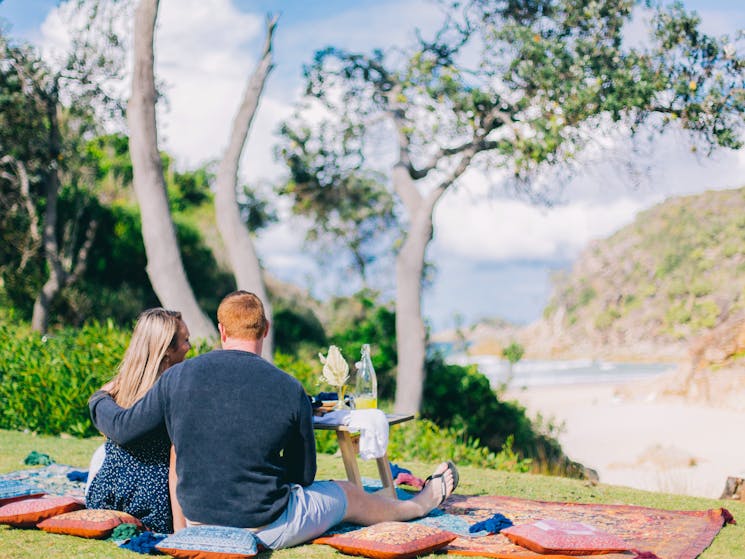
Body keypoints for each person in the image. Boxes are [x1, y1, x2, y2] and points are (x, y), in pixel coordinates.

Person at [89, 291, 458, 549]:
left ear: (221, 330)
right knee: (345, 492)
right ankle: (419, 504)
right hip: (266, 525)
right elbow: (303, 477)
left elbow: (122, 427)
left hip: (197, 520)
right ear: (265, 330)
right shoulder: (289, 389)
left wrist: (98, 399)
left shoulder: (176, 378)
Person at [86, 308, 191, 533]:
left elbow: (106, 407)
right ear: (166, 352)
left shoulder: (118, 388)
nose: (189, 347)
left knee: (100, 454)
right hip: (152, 506)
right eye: (185, 341)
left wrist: (98, 398)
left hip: (104, 498)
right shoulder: (171, 393)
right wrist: (181, 531)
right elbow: (176, 464)